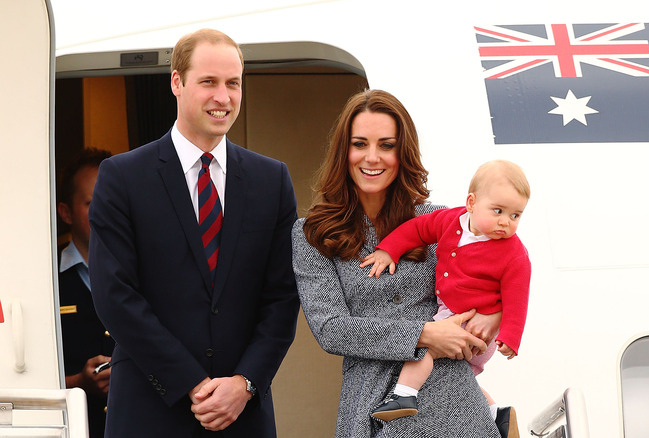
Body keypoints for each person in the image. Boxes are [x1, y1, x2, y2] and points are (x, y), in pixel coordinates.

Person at [88, 29, 300, 437]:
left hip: (243, 415)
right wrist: (193, 383)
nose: (223, 97)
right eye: (209, 82)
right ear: (177, 83)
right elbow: (115, 296)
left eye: (233, 83)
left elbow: (282, 298)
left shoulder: (270, 179)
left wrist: (244, 384)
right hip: (149, 414)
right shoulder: (122, 177)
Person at [292, 89, 507, 437]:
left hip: (452, 400)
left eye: (387, 145)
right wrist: (424, 334)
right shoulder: (312, 233)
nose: (372, 157)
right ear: (343, 151)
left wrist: (493, 315)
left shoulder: (440, 220)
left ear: (402, 152)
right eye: (360, 144)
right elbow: (330, 327)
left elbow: (492, 276)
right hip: (370, 402)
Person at [362, 159, 531, 438]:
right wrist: (389, 250)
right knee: (461, 376)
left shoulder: (513, 253)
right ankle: (496, 415)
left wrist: (511, 337)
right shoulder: (448, 221)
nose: (505, 222)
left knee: (425, 346)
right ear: (471, 202)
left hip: (472, 323)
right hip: (452, 311)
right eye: (498, 210)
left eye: (515, 215)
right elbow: (416, 230)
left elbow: (518, 297)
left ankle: (404, 395)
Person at [57, 147, 114, 438]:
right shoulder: (47, 278)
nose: (105, 212)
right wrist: (78, 381)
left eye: (113, 201)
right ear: (65, 212)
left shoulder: (147, 272)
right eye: (92, 203)